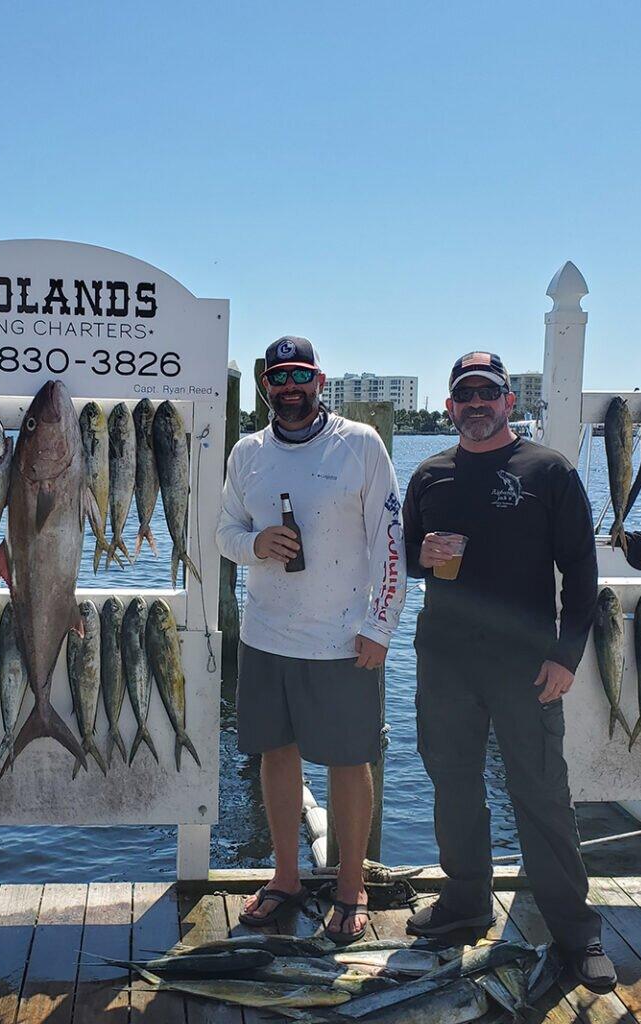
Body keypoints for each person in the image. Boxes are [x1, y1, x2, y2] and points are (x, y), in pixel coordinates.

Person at [402, 351, 615, 993]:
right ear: (449, 407)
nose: (475, 404)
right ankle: (465, 903)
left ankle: (577, 934)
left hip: (527, 665)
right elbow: (410, 558)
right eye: (463, 394)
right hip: (445, 659)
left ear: (508, 403)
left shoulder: (547, 470)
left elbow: (582, 570)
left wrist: (566, 655)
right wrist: (422, 554)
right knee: (454, 785)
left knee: (542, 792)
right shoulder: (429, 475)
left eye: (486, 394)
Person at [216, 336, 405, 944]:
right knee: (276, 754)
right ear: (266, 385)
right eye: (278, 377)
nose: (289, 387)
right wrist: (254, 545)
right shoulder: (247, 453)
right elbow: (223, 531)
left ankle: (351, 886)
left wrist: (381, 627)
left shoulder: (360, 445)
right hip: (266, 636)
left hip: (344, 640)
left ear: (320, 380)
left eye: (300, 375)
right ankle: (286, 877)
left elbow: (391, 542)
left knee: (350, 763)